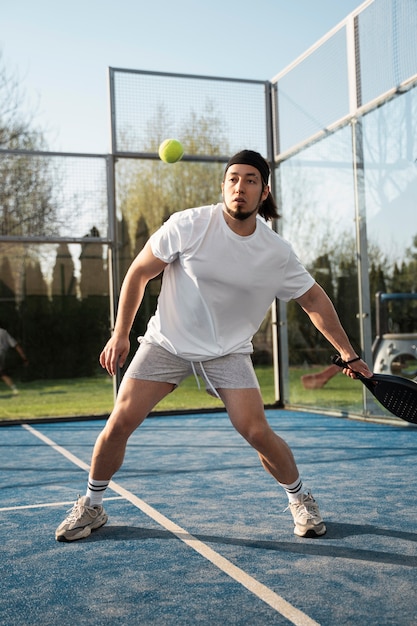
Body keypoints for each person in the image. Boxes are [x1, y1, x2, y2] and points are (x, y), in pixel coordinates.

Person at [55, 150, 372, 542]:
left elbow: (314, 300)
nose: (240, 187)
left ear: (264, 191)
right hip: (167, 341)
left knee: (256, 431)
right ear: (223, 186)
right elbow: (139, 273)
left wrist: (349, 354)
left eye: (251, 180)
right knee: (119, 422)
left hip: (228, 351)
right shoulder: (189, 224)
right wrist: (121, 332)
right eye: (233, 179)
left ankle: (300, 498)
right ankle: (91, 505)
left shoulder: (276, 252)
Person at [0, 327, 28, 395]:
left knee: (2, 373)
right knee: (2, 373)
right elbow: (15, 345)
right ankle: (15, 390)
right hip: (2, 355)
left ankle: (14, 390)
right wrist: (23, 357)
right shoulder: (3, 332)